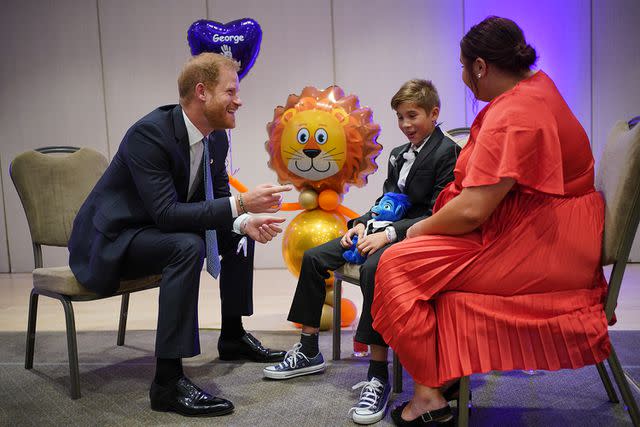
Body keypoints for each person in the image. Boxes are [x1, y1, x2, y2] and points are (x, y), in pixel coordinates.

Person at [371, 17, 612, 426]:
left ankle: (429, 395)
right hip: (540, 231)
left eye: (464, 68)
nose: (463, 78)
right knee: (413, 260)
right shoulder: (535, 89)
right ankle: (441, 377)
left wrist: (411, 230)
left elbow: (472, 211)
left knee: (396, 264)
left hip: (542, 244)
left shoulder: (515, 113)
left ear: (480, 66)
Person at [68, 53, 292, 417]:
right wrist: (239, 204)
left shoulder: (216, 139)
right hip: (112, 241)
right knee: (187, 246)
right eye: (231, 91)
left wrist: (241, 220)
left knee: (238, 232)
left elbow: (217, 200)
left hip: (153, 231)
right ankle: (167, 383)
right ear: (202, 92)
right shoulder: (149, 134)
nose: (239, 100)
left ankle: (232, 336)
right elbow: (167, 213)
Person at [263, 79, 460, 425]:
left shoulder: (448, 153)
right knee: (314, 257)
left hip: (415, 238)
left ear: (434, 112)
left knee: (372, 269)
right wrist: (359, 223)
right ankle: (309, 350)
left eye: (412, 116)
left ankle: (378, 374)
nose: (406, 124)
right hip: (381, 231)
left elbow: (436, 213)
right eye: (400, 117)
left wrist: (387, 234)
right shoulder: (399, 155)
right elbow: (385, 202)